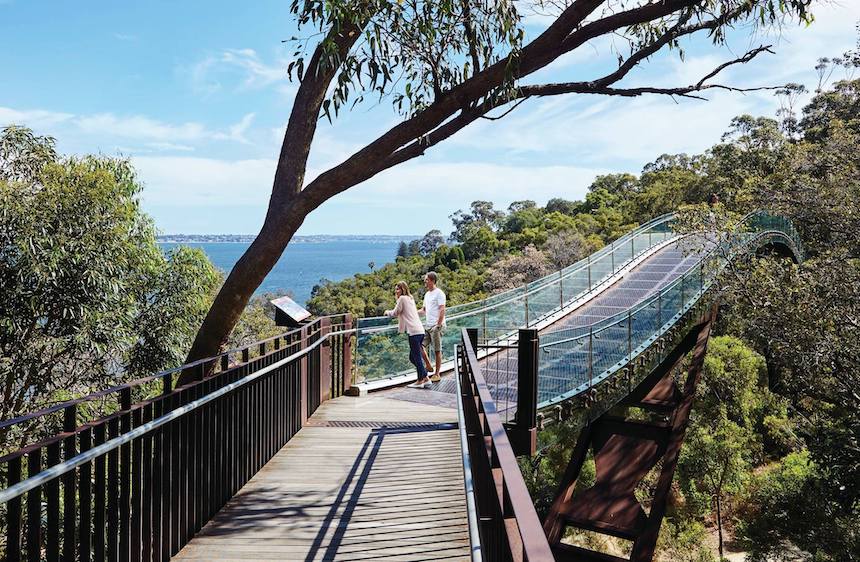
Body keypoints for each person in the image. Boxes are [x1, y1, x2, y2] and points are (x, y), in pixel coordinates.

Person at [384, 281, 431, 388]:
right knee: (412, 357)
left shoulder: (402, 299)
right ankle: (426, 378)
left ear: (403, 289)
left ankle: (420, 381)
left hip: (414, 332)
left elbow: (395, 313)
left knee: (417, 357)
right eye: (395, 289)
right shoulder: (410, 298)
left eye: (398, 289)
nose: (396, 291)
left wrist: (387, 312)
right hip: (420, 330)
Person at [418, 271, 446, 383]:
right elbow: (424, 310)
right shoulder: (427, 295)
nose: (425, 281)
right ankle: (429, 365)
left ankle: (437, 373)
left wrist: (438, 325)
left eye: (426, 280)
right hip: (428, 325)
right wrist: (411, 313)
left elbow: (442, 309)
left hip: (436, 326)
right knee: (419, 344)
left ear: (432, 281)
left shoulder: (439, 293)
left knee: (437, 350)